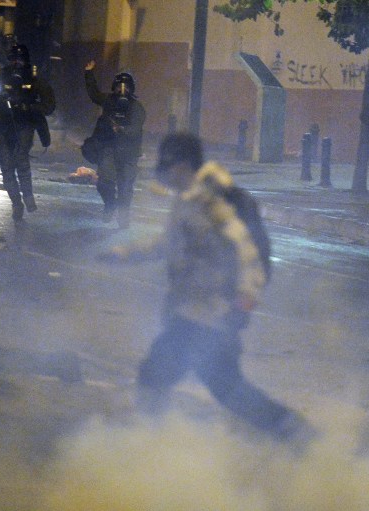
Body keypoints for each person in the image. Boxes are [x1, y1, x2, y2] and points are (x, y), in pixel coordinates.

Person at [100, 132, 314, 442]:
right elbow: (170, 244)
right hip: (197, 312)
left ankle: (146, 441)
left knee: (156, 371)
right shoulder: (188, 200)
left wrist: (245, 299)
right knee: (227, 387)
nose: (165, 174)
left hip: (210, 314)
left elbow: (247, 252)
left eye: (169, 166)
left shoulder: (212, 202)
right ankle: (294, 432)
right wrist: (125, 254)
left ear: (183, 165)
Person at [0, 44, 56, 221]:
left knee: (21, 161)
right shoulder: (3, 74)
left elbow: (49, 105)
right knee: (6, 168)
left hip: (25, 125)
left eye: (20, 59)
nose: (17, 63)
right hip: (3, 126)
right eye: (14, 59)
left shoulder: (34, 78)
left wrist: (29, 107)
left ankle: (28, 197)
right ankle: (16, 203)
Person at [84, 61, 146, 227]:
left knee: (125, 187)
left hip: (129, 153)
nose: (122, 90)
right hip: (109, 148)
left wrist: (121, 129)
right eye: (119, 86)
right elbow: (94, 94)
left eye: (126, 86)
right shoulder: (109, 101)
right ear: (114, 86)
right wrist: (89, 73)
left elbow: (135, 129)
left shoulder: (136, 107)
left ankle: (123, 216)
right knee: (104, 181)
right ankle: (110, 204)